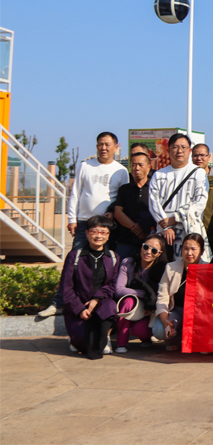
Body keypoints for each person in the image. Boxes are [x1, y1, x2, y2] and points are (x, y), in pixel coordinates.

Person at [41, 132, 130, 318]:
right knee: (73, 263)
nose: (103, 148)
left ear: (116, 147)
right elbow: (75, 193)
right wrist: (71, 219)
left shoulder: (121, 171)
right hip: (84, 224)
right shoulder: (85, 166)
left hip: (108, 227)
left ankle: (104, 304)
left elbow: (123, 198)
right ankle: (59, 303)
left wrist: (112, 213)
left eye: (107, 144)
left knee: (107, 267)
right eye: (100, 144)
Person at [61, 216, 120, 359]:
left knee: (110, 306)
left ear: (108, 235)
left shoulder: (113, 257)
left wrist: (96, 299)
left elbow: (112, 285)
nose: (99, 236)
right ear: (87, 233)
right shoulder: (75, 256)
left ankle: (104, 338)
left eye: (103, 232)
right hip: (78, 306)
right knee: (82, 344)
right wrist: (79, 309)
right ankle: (76, 338)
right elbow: (66, 287)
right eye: (94, 231)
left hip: (100, 304)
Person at [149, 133, 210, 261]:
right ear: (168, 150)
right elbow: (153, 202)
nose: (179, 151)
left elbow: (200, 203)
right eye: (175, 147)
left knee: (190, 268)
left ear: (189, 151)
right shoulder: (159, 175)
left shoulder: (198, 173)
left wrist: (175, 218)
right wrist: (166, 226)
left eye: (183, 147)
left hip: (189, 232)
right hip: (164, 232)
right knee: (164, 267)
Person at [113, 233, 167, 352]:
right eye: (146, 247)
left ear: (159, 253)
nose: (148, 252)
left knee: (141, 331)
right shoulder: (129, 262)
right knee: (128, 301)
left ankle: (146, 339)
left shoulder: (163, 269)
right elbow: (119, 290)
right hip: (130, 303)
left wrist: (151, 303)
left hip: (149, 310)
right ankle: (121, 343)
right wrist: (146, 294)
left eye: (154, 250)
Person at [154, 233, 204, 351]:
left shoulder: (208, 268)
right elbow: (162, 296)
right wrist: (165, 320)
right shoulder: (171, 268)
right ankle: (174, 340)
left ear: (202, 251)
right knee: (159, 329)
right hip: (176, 310)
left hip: (198, 314)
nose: (189, 253)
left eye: (193, 249)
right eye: (185, 248)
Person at [113, 151, 156, 260]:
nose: (137, 168)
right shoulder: (124, 189)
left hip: (149, 242)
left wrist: (144, 231)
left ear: (148, 167)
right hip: (125, 241)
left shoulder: (155, 188)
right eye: (133, 165)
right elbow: (118, 212)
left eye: (140, 165)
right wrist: (135, 228)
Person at [193, 144, 213, 233]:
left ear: (209, 157)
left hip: (211, 231)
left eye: (202, 155)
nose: (199, 158)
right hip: (190, 229)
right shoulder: (186, 180)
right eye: (195, 155)